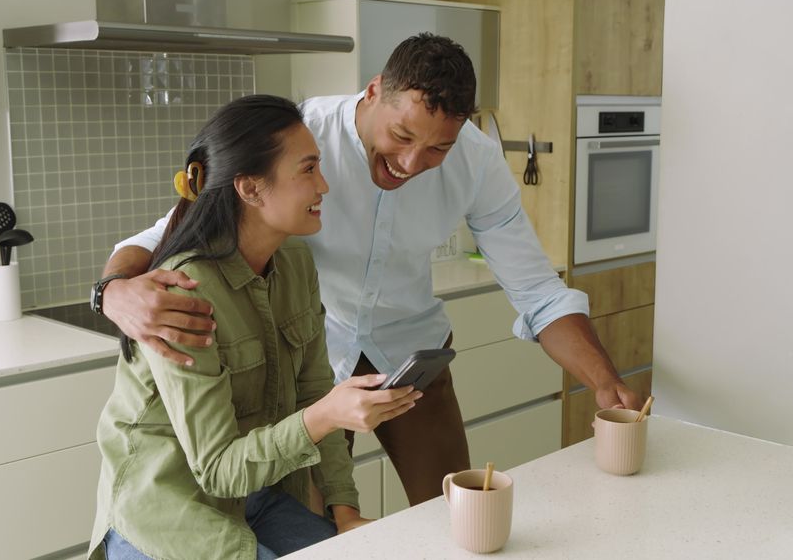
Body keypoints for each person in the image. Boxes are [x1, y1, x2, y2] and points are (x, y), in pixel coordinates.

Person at [98, 34, 643, 507]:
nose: (411, 164)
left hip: (412, 362)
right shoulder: (301, 139)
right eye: (403, 137)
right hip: (310, 374)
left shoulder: (476, 161)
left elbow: (538, 292)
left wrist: (604, 383)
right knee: (323, 525)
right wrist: (114, 290)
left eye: (437, 150)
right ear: (375, 90)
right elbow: (169, 234)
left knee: (456, 511)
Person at [88, 95, 421, 560]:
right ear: (250, 189)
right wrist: (327, 416)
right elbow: (218, 469)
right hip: (165, 514)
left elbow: (313, 392)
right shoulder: (186, 292)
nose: (323, 185)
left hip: (253, 500)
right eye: (307, 170)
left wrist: (344, 510)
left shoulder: (297, 265)